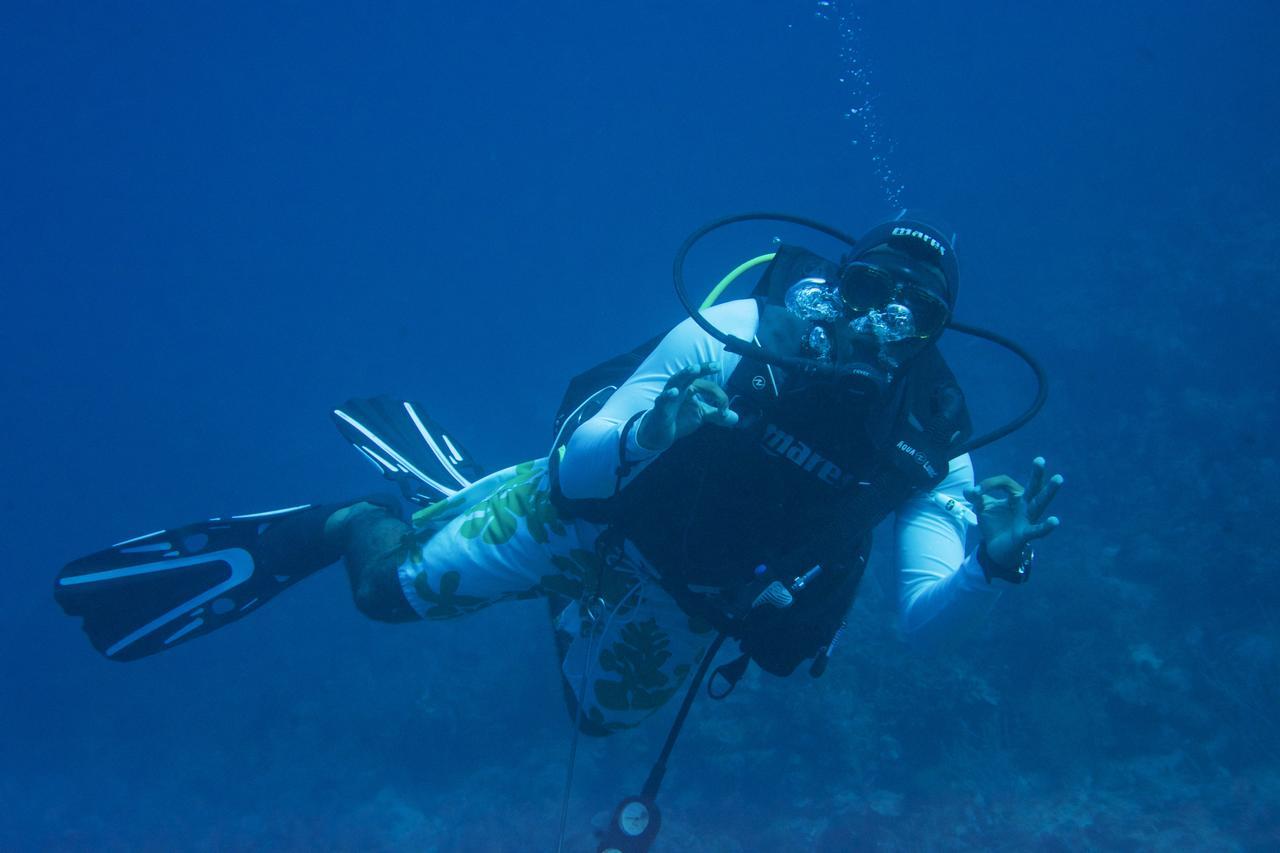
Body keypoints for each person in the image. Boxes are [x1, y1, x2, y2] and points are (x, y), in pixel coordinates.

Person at [56, 213, 1062, 737]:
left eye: (912, 308)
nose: (881, 317)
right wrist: (659, 428)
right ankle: (353, 519)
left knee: (594, 717)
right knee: (385, 594)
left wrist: (984, 565)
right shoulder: (738, 334)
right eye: (868, 286)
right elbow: (584, 478)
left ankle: (516, 552)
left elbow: (923, 618)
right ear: (833, 283)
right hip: (589, 515)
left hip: (695, 593)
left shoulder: (927, 444)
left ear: (936, 333)